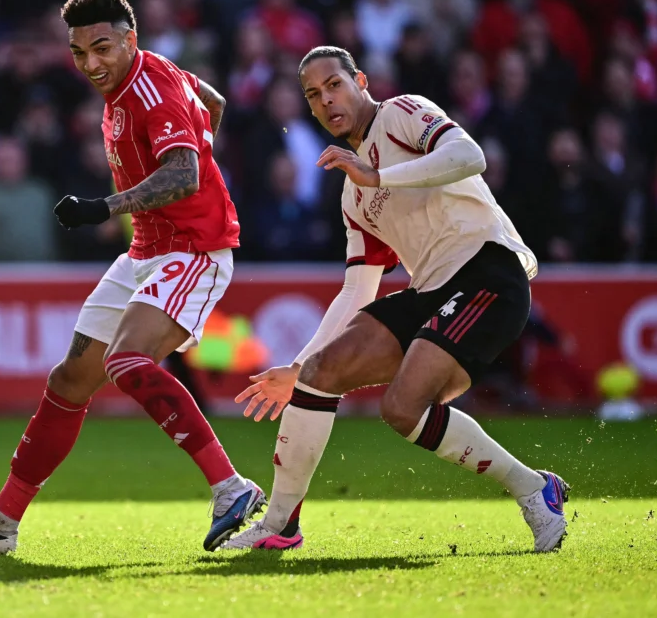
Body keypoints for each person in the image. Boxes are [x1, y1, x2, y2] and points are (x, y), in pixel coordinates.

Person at [0, 0, 264, 554]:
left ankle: (232, 488)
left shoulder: (150, 87)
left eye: (102, 48)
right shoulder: (144, 77)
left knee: (126, 361)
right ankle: (1, 523)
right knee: (69, 381)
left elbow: (184, 174)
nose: (91, 64)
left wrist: (105, 207)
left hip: (193, 249)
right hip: (145, 252)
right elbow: (214, 103)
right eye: (79, 52)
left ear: (130, 40)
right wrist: (199, 142)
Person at [223, 46, 569, 553]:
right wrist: (297, 366)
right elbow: (358, 289)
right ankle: (279, 525)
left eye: (335, 85)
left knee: (402, 408)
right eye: (314, 95)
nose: (326, 100)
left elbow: (470, 156)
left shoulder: (402, 113)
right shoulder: (352, 196)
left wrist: (379, 176)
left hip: (488, 273)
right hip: (429, 289)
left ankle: (534, 489)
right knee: (320, 373)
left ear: (360, 81)